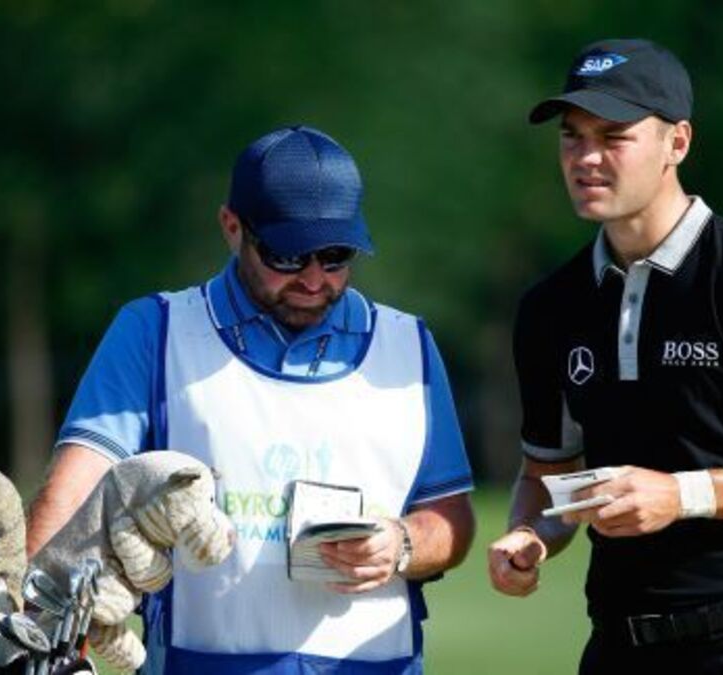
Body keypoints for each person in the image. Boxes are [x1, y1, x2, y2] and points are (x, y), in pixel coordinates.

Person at [486, 38, 723, 674]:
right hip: (618, 646)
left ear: (678, 143)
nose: (586, 158)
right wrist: (531, 535)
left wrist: (680, 494)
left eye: (614, 136)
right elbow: (544, 475)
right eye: (572, 137)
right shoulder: (549, 308)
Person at [27, 125, 476, 674]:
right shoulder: (154, 329)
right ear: (232, 227)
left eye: (336, 256)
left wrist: (402, 543)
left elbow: (450, 516)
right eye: (288, 256)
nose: (314, 278)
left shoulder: (410, 344)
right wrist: (23, 629)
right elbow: (73, 493)